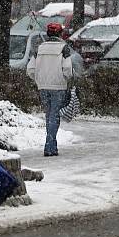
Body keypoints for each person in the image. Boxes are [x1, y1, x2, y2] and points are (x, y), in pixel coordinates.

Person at [27, 22, 74, 157]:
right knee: (54, 115)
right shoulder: (64, 48)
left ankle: (51, 146)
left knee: (49, 115)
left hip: (42, 86)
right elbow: (67, 70)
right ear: (60, 34)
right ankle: (49, 146)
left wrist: (38, 79)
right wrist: (65, 79)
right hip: (59, 86)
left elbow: (30, 69)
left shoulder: (39, 48)